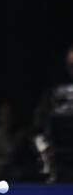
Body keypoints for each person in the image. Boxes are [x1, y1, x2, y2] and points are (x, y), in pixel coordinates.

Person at [31, 45, 73, 182]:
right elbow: (39, 119)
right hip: (57, 145)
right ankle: (50, 180)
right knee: (39, 141)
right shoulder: (53, 91)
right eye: (70, 65)